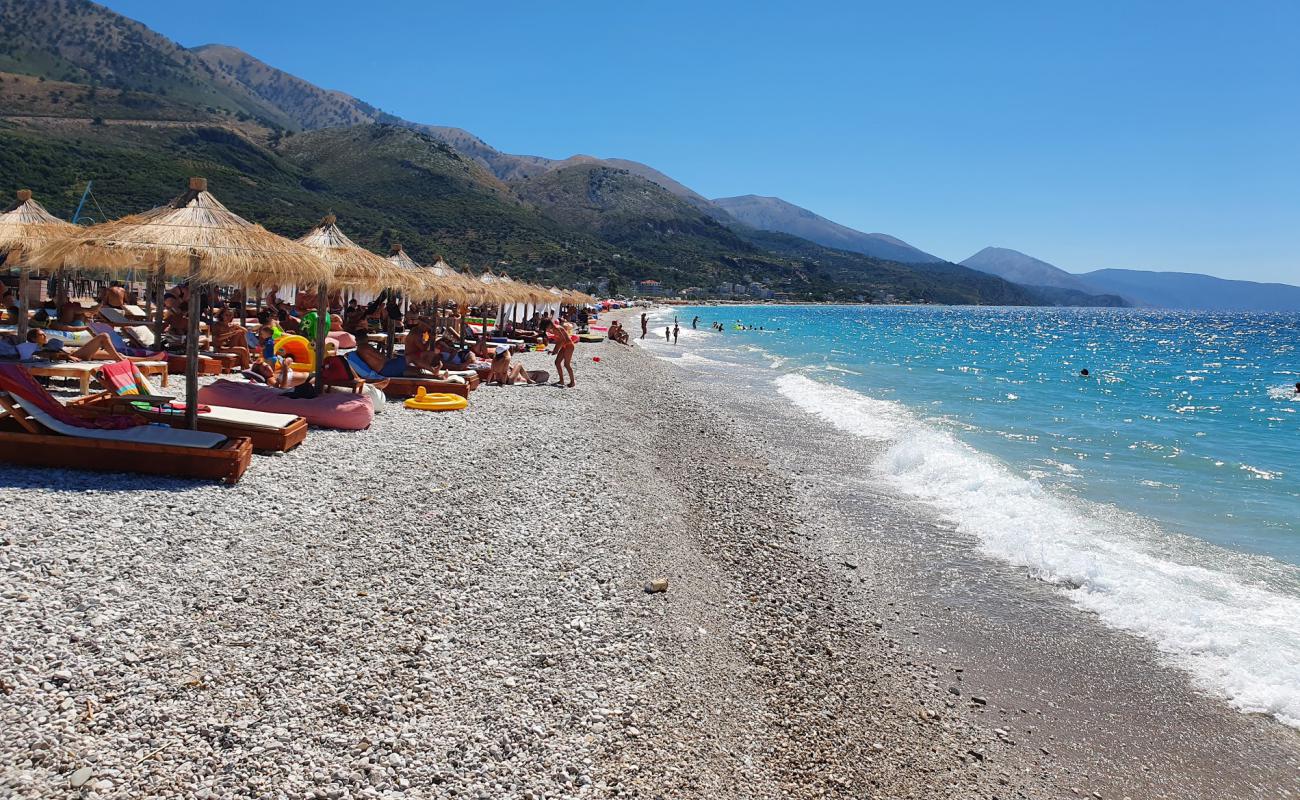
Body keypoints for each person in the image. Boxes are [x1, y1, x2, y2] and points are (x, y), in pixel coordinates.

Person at [23, 328, 125, 362]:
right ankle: (119, 360)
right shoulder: (37, 348)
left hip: (75, 352)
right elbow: (48, 355)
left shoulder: (46, 344)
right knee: (103, 336)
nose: (45, 335)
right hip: (76, 354)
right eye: (41, 335)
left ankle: (139, 360)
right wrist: (69, 356)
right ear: (34, 339)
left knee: (119, 354)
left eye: (44, 333)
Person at [551, 321, 575, 388]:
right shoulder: (555, 328)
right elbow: (560, 341)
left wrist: (555, 351)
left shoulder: (557, 328)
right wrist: (554, 350)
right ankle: (561, 380)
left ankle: (572, 382)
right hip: (565, 346)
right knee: (557, 362)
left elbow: (562, 340)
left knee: (566, 364)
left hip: (569, 346)